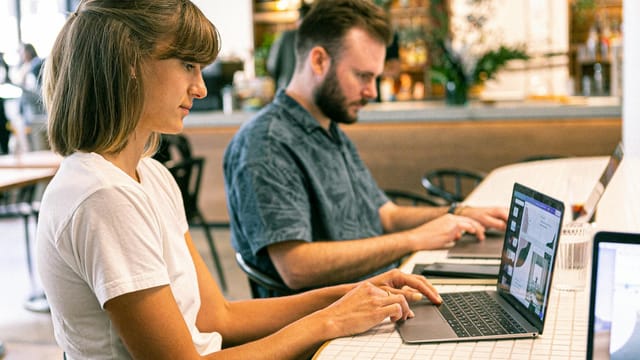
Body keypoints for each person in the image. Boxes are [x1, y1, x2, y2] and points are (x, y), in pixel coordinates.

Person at [36, 1, 441, 358]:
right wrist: (328, 322)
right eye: (187, 66)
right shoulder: (103, 196)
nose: (199, 87)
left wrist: (354, 292)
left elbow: (219, 317)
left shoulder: (150, 175)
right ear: (129, 63)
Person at [223, 0, 509, 298]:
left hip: (377, 294)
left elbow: (385, 215)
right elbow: (296, 267)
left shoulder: (329, 129)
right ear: (319, 61)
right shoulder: (266, 144)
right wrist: (413, 240)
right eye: (363, 76)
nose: (372, 92)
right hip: (325, 324)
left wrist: (459, 213)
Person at [265, 3, 311, 90]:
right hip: (309, 93)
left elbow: (272, 65)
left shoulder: (286, 37)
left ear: (298, 20)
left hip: (287, 89)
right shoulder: (317, 37)